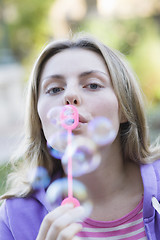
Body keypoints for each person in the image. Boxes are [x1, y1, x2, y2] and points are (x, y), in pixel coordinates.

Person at [0, 33, 160, 240]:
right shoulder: (12, 219)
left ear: (124, 108)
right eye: (55, 89)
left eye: (93, 85)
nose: (69, 96)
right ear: (39, 118)